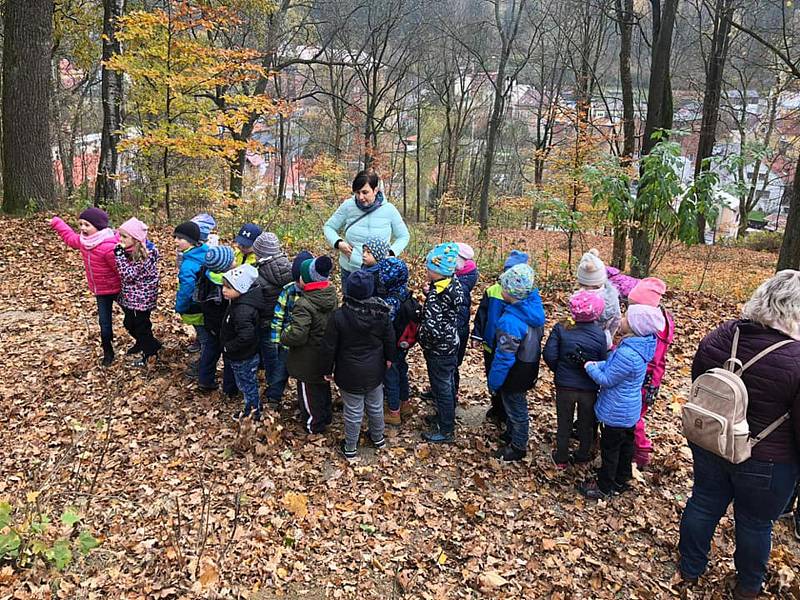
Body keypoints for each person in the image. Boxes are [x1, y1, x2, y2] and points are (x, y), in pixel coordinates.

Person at [678, 271, 800, 600]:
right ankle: (747, 587)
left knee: (703, 503)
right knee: (755, 524)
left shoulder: (721, 335)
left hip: (710, 441)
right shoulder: (797, 359)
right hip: (767, 462)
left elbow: (699, 386)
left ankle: (689, 568)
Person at [578, 304, 661, 499]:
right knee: (626, 444)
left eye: (626, 318)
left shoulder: (627, 353)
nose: (621, 319)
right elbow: (613, 366)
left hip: (616, 410)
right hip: (629, 408)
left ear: (634, 326)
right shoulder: (641, 346)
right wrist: (601, 364)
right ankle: (621, 478)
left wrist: (589, 366)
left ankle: (604, 486)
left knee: (611, 449)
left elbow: (606, 379)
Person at [321, 269, 396, 460]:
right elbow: (389, 339)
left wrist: (327, 369)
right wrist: (389, 358)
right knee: (376, 406)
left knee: (353, 411)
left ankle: (351, 447)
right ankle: (378, 438)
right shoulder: (382, 313)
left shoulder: (338, 316)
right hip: (375, 370)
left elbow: (329, 346)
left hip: (349, 372)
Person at [487, 263, 546, 462]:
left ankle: (518, 446)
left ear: (510, 293)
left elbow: (504, 356)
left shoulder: (510, 322)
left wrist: (494, 381)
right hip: (529, 365)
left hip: (515, 371)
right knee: (514, 404)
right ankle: (511, 434)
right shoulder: (534, 310)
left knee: (516, 407)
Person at [543, 290, 607, 469]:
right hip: (589, 387)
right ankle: (582, 455)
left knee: (564, 421)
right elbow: (603, 361)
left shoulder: (561, 327)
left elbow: (549, 354)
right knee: (586, 423)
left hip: (565, 387)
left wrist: (560, 370)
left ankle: (561, 457)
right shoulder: (600, 334)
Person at [50, 208, 121, 366]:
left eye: (87, 225)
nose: (82, 228)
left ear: (99, 226)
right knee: (104, 323)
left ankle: (144, 343)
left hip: (118, 289)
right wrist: (57, 223)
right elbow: (69, 238)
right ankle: (108, 352)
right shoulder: (84, 241)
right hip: (101, 291)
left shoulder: (108, 246)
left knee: (132, 319)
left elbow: (120, 270)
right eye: (81, 224)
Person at [281, 256, 339, 434]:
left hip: (307, 358)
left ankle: (313, 424)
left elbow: (298, 334)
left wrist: (285, 335)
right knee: (322, 386)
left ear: (306, 280)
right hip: (325, 354)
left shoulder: (304, 304)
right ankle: (326, 415)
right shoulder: (331, 295)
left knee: (308, 391)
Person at [471, 250, 529, 425]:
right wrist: (477, 335)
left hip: (512, 347)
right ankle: (496, 407)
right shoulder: (492, 291)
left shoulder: (524, 294)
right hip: (491, 343)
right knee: (492, 376)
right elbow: (482, 314)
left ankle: (507, 413)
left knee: (508, 380)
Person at [323, 170, 410, 286]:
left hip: (378, 273)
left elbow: (403, 236)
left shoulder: (389, 210)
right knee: (350, 303)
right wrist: (338, 243)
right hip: (350, 270)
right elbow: (329, 227)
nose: (360, 197)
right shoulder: (348, 206)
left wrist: (391, 253)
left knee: (376, 304)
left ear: (375, 190)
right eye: (357, 192)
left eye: (365, 192)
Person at [361, 237, 413, 426]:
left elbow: (382, 324)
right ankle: (404, 402)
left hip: (392, 341)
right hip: (402, 338)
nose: (364, 255)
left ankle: (393, 411)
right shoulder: (401, 290)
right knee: (401, 369)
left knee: (390, 372)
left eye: (368, 252)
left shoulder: (389, 301)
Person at [418, 243, 465, 444]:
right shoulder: (452, 284)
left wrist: (422, 336)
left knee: (442, 387)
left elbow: (432, 329)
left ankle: (446, 428)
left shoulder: (438, 296)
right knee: (446, 383)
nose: (426, 271)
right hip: (451, 343)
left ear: (437, 271)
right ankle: (444, 417)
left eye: (429, 268)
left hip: (439, 350)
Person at [628, 277, 675, 469]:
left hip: (645, 382)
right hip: (650, 381)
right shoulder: (658, 324)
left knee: (634, 416)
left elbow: (648, 361)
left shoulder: (653, 336)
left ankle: (642, 450)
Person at [113, 218, 161, 367]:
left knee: (142, 326)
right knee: (129, 322)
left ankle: (150, 353)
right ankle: (147, 343)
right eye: (120, 236)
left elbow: (128, 274)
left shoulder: (145, 255)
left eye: (124, 237)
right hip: (132, 296)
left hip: (142, 297)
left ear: (136, 239)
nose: (120, 239)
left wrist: (119, 256)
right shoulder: (132, 250)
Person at [221, 264, 266, 421]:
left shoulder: (242, 310)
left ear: (241, 288)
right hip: (240, 355)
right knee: (246, 383)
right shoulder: (238, 303)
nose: (223, 291)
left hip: (242, 356)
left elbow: (246, 336)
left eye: (228, 287)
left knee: (247, 385)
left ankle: (253, 412)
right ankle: (253, 407)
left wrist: (228, 347)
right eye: (223, 286)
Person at [253, 232, 293, 405]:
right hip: (285, 319)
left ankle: (272, 385)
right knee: (279, 354)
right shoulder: (289, 268)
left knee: (270, 354)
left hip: (266, 320)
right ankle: (275, 384)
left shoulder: (260, 274)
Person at [269, 250, 313, 408]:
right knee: (280, 372)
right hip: (287, 342)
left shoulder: (314, 294)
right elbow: (278, 316)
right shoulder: (288, 290)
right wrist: (276, 340)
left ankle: (305, 403)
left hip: (306, 344)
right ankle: (274, 397)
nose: (299, 284)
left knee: (305, 376)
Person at [195, 245, 238, 397]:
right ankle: (230, 388)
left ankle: (205, 379)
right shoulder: (226, 285)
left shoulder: (205, 275)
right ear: (225, 267)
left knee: (210, 350)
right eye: (232, 259)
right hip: (225, 327)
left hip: (210, 324)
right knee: (229, 355)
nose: (235, 261)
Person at [173, 221, 209, 378]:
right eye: (175, 237)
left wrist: (180, 306)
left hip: (195, 306)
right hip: (205, 303)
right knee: (204, 332)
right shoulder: (204, 252)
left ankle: (203, 364)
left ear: (192, 241)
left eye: (180, 238)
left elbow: (186, 289)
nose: (176, 241)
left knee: (204, 335)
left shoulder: (188, 264)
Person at [576, 249, 621, 349]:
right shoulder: (612, 297)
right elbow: (616, 320)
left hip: (578, 341)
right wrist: (610, 335)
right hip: (604, 340)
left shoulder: (577, 298)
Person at [454, 243, 479, 403]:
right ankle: (443, 393)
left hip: (454, 336)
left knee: (451, 368)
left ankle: (450, 397)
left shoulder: (459, 288)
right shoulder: (460, 283)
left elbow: (458, 317)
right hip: (455, 334)